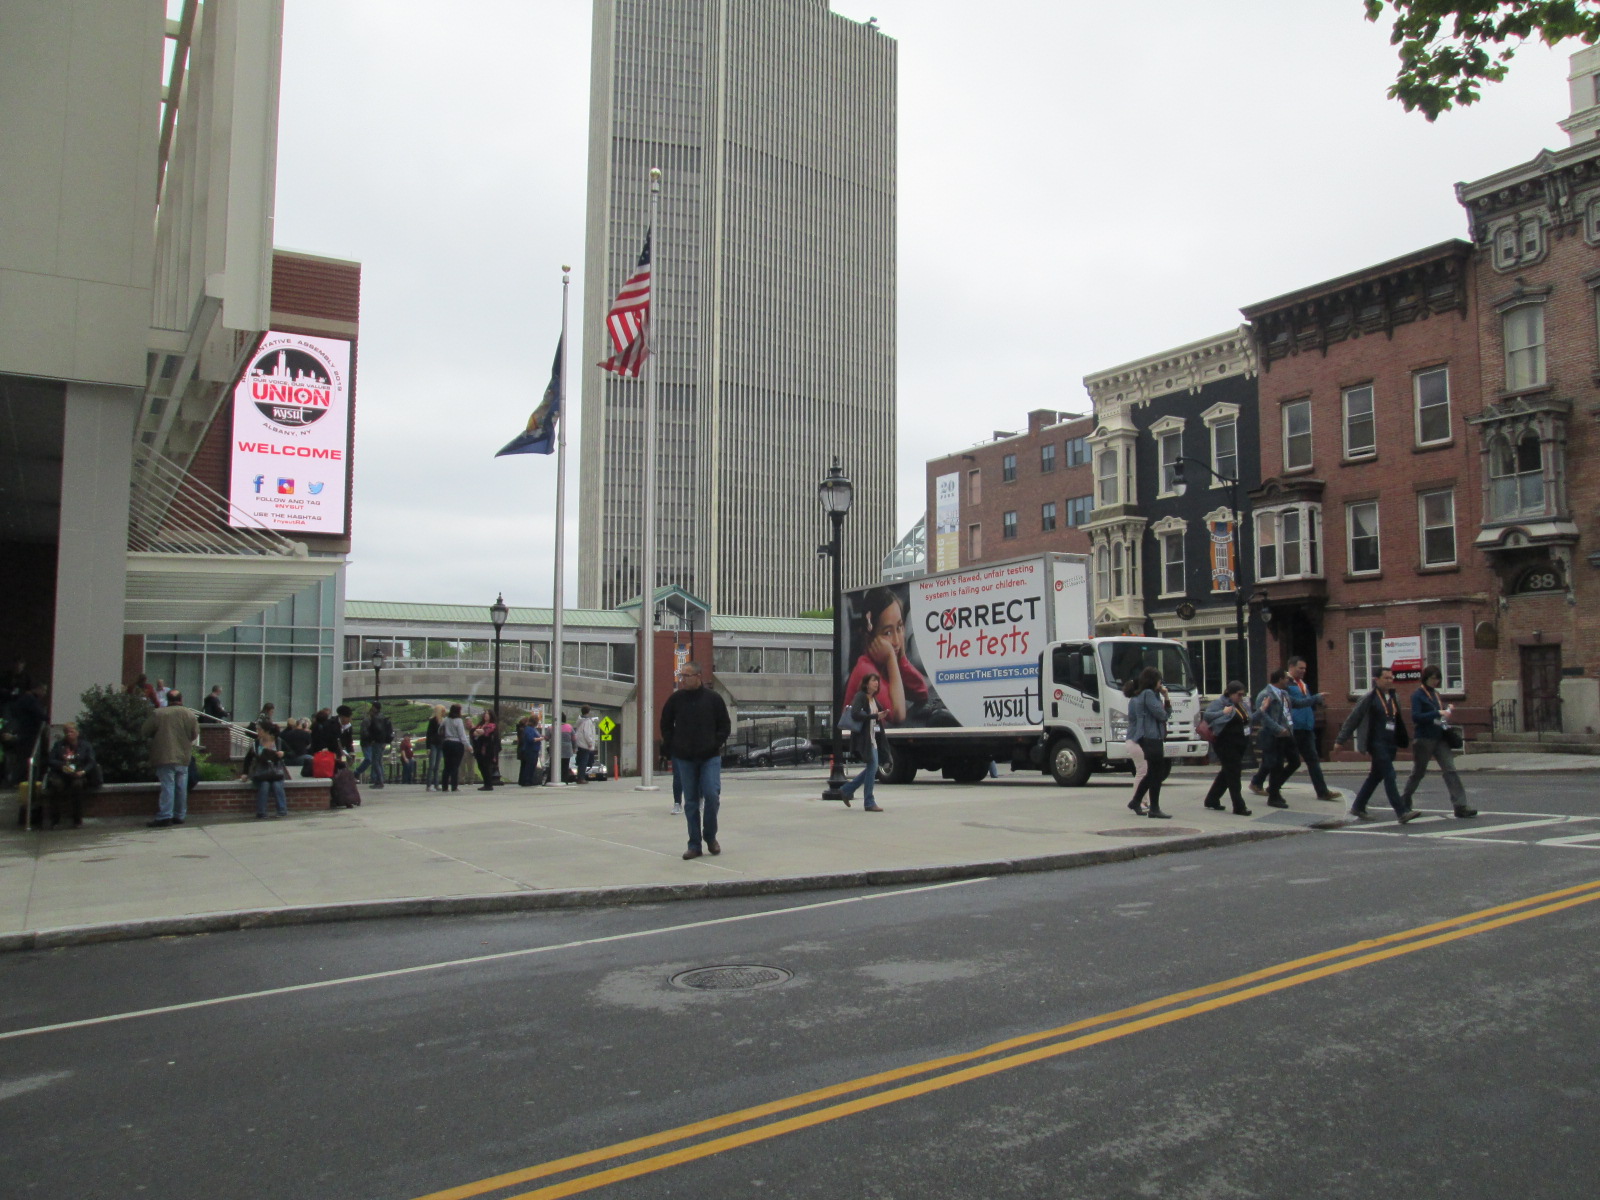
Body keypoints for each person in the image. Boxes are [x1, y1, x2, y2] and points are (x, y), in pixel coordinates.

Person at [661, 661, 731, 859]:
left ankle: (710, 836)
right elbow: (665, 723)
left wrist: (715, 743)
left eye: (687, 675)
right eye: (681, 675)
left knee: (711, 795)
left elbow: (724, 725)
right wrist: (673, 745)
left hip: (710, 757)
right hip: (685, 758)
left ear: (698, 677)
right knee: (690, 802)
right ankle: (694, 844)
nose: (683, 679)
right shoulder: (676, 700)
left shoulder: (713, 699)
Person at [1336, 667, 1419, 823]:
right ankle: (1401, 811)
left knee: (1375, 776)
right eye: (1385, 678)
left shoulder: (1394, 697)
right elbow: (1353, 719)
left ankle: (1358, 806)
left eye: (1390, 678)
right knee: (1389, 774)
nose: (1389, 681)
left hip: (1390, 742)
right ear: (1377, 680)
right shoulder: (1369, 698)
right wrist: (1340, 740)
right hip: (1376, 742)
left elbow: (1397, 720)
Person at [842, 588, 931, 725]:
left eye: (899, 627)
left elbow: (921, 692)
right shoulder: (866, 671)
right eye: (887, 633)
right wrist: (891, 659)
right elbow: (898, 715)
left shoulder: (883, 665)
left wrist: (900, 659)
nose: (896, 640)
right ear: (870, 638)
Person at [1401, 666, 1477, 819]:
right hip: (1424, 738)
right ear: (1426, 678)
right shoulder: (1418, 695)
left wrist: (1445, 719)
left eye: (1438, 679)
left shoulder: (1436, 694)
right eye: (1433, 678)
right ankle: (1404, 800)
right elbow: (1416, 717)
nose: (1436, 682)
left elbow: (1439, 717)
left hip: (1440, 737)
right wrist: (1437, 712)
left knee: (1450, 770)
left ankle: (1460, 805)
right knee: (1418, 772)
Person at [141, 688, 199, 828]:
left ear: (167, 700)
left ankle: (165, 815)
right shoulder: (189, 714)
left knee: (168, 786)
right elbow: (194, 734)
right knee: (181, 787)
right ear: (181, 699)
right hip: (183, 756)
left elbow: (144, 731)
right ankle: (179, 815)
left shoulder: (158, 713)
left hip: (164, 755)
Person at [1283, 657, 1337, 801]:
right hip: (1294, 727)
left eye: (1305, 669)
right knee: (1287, 761)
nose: (1303, 671)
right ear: (1291, 667)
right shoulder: (1285, 684)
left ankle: (1322, 791)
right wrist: (1315, 698)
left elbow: (1306, 702)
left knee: (1312, 760)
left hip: (1306, 727)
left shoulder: (1302, 684)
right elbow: (1296, 704)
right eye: (1300, 668)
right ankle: (1260, 782)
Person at [1123, 668, 1172, 818]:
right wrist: (1166, 697)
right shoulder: (1149, 694)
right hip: (1151, 737)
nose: (1161, 683)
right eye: (1159, 680)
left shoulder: (1143, 695)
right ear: (1153, 681)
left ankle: (1136, 801)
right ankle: (1154, 808)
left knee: (1152, 772)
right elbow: (1162, 715)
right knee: (1156, 773)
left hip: (1148, 737)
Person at [1200, 682, 1253, 816]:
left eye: (1243, 694)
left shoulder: (1241, 705)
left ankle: (1212, 799)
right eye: (1238, 694)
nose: (1241, 697)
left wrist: (1262, 709)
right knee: (1234, 774)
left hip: (1239, 742)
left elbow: (1249, 720)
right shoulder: (1221, 703)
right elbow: (1207, 715)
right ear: (1230, 693)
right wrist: (1223, 712)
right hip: (1225, 743)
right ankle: (1239, 805)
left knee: (1227, 772)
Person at [838, 672, 886, 812]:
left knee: (873, 768)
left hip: (873, 738)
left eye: (877, 681)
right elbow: (855, 714)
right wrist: (874, 715)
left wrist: (881, 715)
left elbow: (875, 717)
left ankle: (847, 790)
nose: (876, 683)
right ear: (866, 684)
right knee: (873, 768)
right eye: (873, 681)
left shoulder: (874, 700)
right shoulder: (861, 696)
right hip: (865, 739)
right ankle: (869, 802)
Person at [1252, 669, 1299, 809]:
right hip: (1273, 735)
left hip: (1287, 733)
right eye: (1286, 678)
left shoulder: (1284, 693)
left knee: (1295, 761)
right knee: (1276, 765)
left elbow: (1294, 706)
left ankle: (1274, 788)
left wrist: (1316, 698)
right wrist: (1278, 729)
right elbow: (1263, 716)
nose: (1288, 681)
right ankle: (1274, 796)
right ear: (1279, 679)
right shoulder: (1265, 694)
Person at [46, 722, 97, 829]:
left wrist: (83, 771)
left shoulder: (85, 745)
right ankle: (55, 820)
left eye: (71, 731)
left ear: (77, 733)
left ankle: (77, 819)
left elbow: (91, 762)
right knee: (55, 786)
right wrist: (62, 766)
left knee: (77, 786)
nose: (69, 734)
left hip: (78, 774)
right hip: (62, 774)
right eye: (66, 732)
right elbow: (51, 760)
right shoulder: (59, 745)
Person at [3, 683, 50, 788]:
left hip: (24, 733)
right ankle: (17, 780)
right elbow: (39, 714)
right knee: (25, 759)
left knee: (23, 758)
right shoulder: (30, 700)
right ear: (38, 689)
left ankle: (16, 780)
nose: (44, 694)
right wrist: (49, 719)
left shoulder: (23, 700)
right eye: (44, 691)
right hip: (28, 735)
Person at [251, 724, 289, 819]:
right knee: (264, 785)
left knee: (277, 785)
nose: (258, 732)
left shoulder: (279, 742)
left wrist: (283, 753)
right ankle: (261, 812)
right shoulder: (256, 743)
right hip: (261, 772)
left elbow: (292, 752)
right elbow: (249, 758)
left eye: (260, 730)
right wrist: (244, 773)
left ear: (267, 732)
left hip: (275, 772)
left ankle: (282, 810)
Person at [358, 701, 392, 788]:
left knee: (375, 762)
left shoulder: (376, 718)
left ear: (375, 708)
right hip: (381, 742)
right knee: (379, 761)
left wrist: (371, 738)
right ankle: (380, 780)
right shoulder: (383, 717)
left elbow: (374, 731)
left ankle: (379, 781)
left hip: (377, 742)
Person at [438, 704, 471, 792]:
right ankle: (454, 786)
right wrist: (468, 745)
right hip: (456, 744)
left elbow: (439, 730)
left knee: (447, 766)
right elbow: (462, 735)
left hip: (447, 743)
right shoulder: (458, 721)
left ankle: (444, 786)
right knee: (455, 766)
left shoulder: (446, 720)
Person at [472, 710, 500, 791]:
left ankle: (488, 784)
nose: (486, 715)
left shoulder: (492, 725)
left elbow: (484, 732)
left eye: (487, 714)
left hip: (487, 749)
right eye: (485, 714)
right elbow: (474, 732)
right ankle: (486, 783)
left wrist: (479, 731)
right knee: (480, 766)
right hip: (479, 748)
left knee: (486, 766)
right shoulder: (480, 724)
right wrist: (478, 731)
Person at [573, 705, 599, 785]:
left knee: (580, 762)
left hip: (579, 744)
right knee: (583, 762)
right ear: (589, 711)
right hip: (585, 745)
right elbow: (587, 733)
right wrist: (590, 743)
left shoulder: (579, 721)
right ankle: (581, 778)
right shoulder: (587, 721)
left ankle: (579, 777)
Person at [423, 705, 446, 790]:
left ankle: (436, 784)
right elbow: (429, 734)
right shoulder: (433, 721)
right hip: (433, 744)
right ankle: (429, 784)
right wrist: (428, 747)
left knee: (437, 765)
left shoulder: (443, 721)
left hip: (440, 744)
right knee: (432, 765)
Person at [518, 714, 543, 787]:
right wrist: (540, 739)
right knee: (529, 766)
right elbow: (530, 739)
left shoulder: (533, 729)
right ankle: (526, 780)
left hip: (534, 750)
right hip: (530, 750)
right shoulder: (529, 729)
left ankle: (529, 779)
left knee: (532, 766)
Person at [558, 715, 575, 784]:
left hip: (555, 750)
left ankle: (555, 778)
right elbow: (574, 739)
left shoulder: (552, 727)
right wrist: (574, 748)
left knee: (555, 765)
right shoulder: (569, 727)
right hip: (567, 749)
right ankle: (565, 780)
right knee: (565, 765)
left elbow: (547, 737)